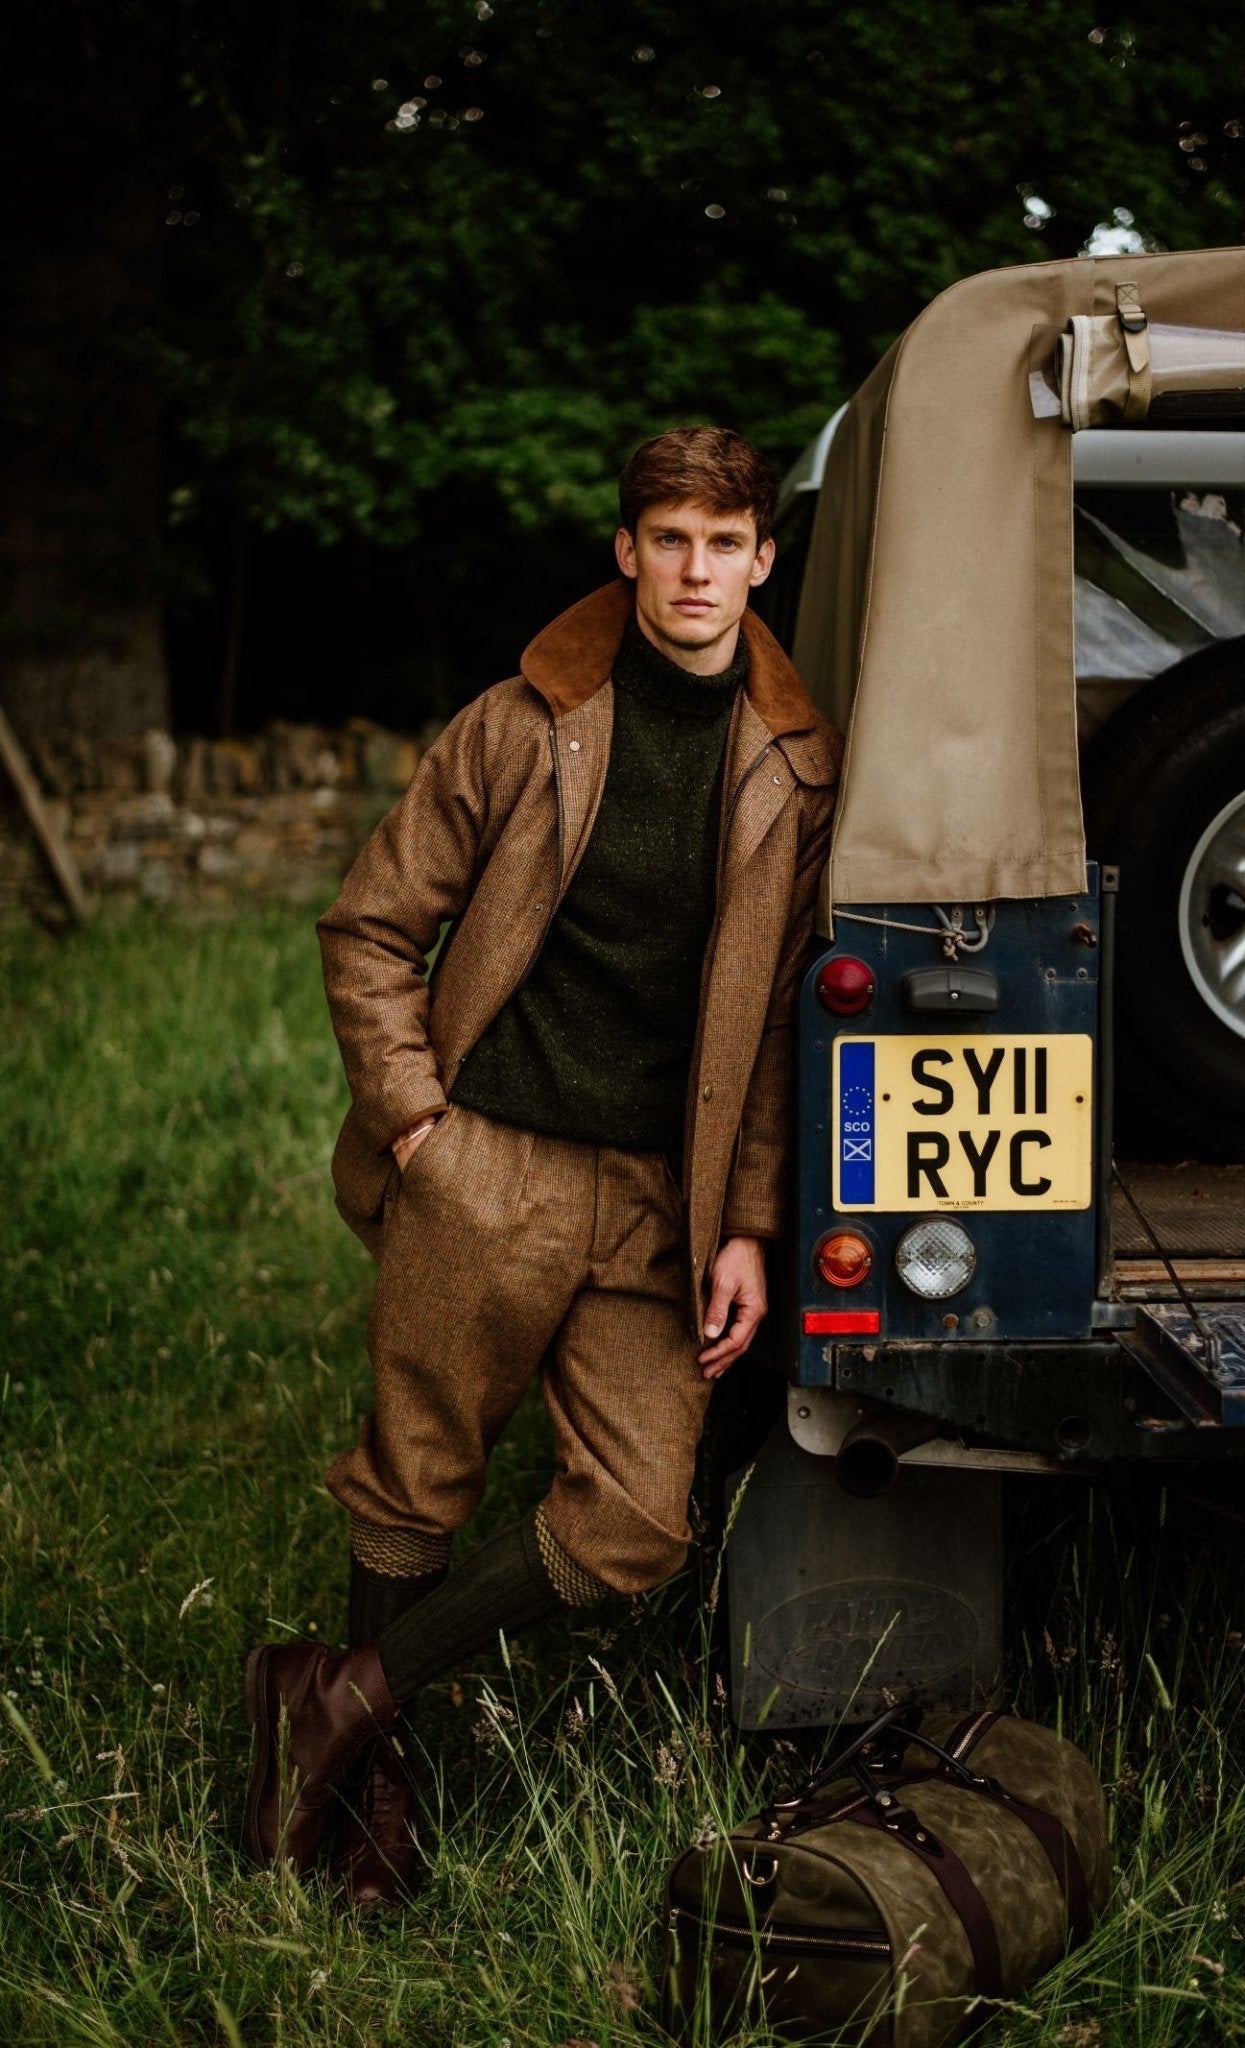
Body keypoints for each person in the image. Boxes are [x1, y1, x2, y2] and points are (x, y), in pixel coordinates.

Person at [240, 425, 842, 1905]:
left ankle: (331, 1697)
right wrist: (417, 1122)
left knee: (635, 1524)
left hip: (662, 1198)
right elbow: (372, 928)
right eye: (668, 538)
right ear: (624, 550)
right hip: (485, 1158)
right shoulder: (521, 723)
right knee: (416, 1478)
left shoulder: (798, 768)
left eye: (723, 542)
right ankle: (369, 1792)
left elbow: (772, 1030)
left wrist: (751, 1227)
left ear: (763, 559)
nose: (694, 570)